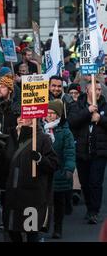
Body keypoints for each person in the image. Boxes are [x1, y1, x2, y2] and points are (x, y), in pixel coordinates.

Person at [0, 116, 58, 242]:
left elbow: (53, 164)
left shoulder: (43, 139)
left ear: (33, 119)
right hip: (12, 194)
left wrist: (40, 159)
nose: (20, 119)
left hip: (32, 194)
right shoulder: (11, 138)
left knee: (31, 231)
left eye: (24, 116)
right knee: (12, 229)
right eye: (18, 116)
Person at [67, 80, 107, 224]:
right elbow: (72, 121)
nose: (98, 92)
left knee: (96, 182)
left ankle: (94, 211)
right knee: (85, 183)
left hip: (99, 151)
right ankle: (90, 207)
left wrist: (100, 119)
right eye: (94, 89)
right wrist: (88, 111)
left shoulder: (105, 105)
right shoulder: (76, 105)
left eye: (99, 89)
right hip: (82, 151)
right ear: (87, 89)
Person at [44, 100, 75, 239]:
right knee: (43, 202)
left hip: (59, 170)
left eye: (53, 113)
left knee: (58, 202)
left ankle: (58, 228)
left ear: (58, 115)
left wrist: (69, 168)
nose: (49, 116)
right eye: (48, 113)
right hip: (43, 172)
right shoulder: (39, 128)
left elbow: (69, 151)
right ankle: (43, 226)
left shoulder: (65, 132)